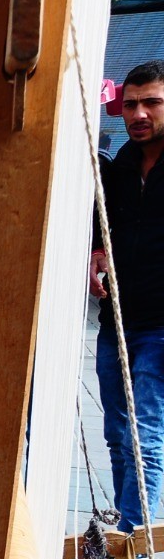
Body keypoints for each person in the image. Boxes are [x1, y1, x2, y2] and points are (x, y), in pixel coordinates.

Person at [92, 60, 164, 535]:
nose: (138, 114)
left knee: (146, 439)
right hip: (116, 317)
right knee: (117, 436)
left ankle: (128, 549)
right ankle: (123, 532)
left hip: (160, 326)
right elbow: (103, 221)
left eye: (151, 103)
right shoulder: (119, 165)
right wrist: (96, 250)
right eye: (130, 104)